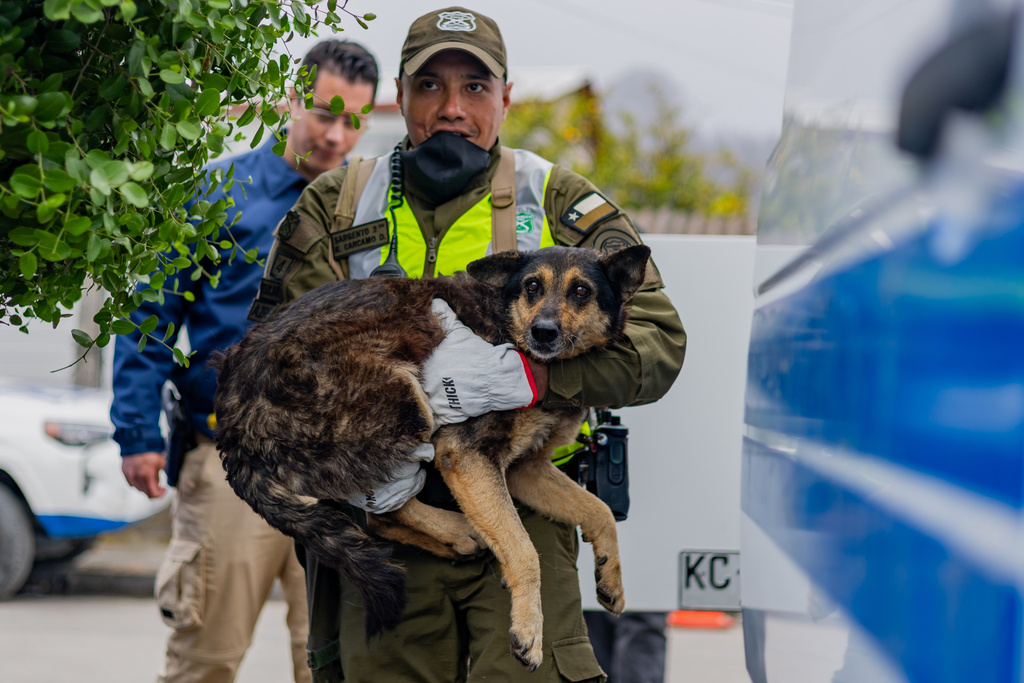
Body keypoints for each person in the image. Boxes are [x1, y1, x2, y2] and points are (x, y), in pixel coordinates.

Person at [248, 7, 687, 682]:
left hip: (526, 514)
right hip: (385, 532)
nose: (452, 107)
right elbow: (273, 361)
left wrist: (535, 380)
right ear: (401, 91)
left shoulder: (559, 198)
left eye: (475, 88)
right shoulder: (338, 203)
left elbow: (659, 342)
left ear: (506, 98)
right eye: (431, 87)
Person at [110, 40, 379, 683]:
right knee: (204, 661)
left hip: (342, 474)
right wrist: (137, 432)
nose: (337, 135)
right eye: (323, 113)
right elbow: (150, 312)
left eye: (353, 121)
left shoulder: (373, 205)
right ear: (291, 98)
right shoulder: (219, 192)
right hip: (234, 461)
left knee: (337, 667)